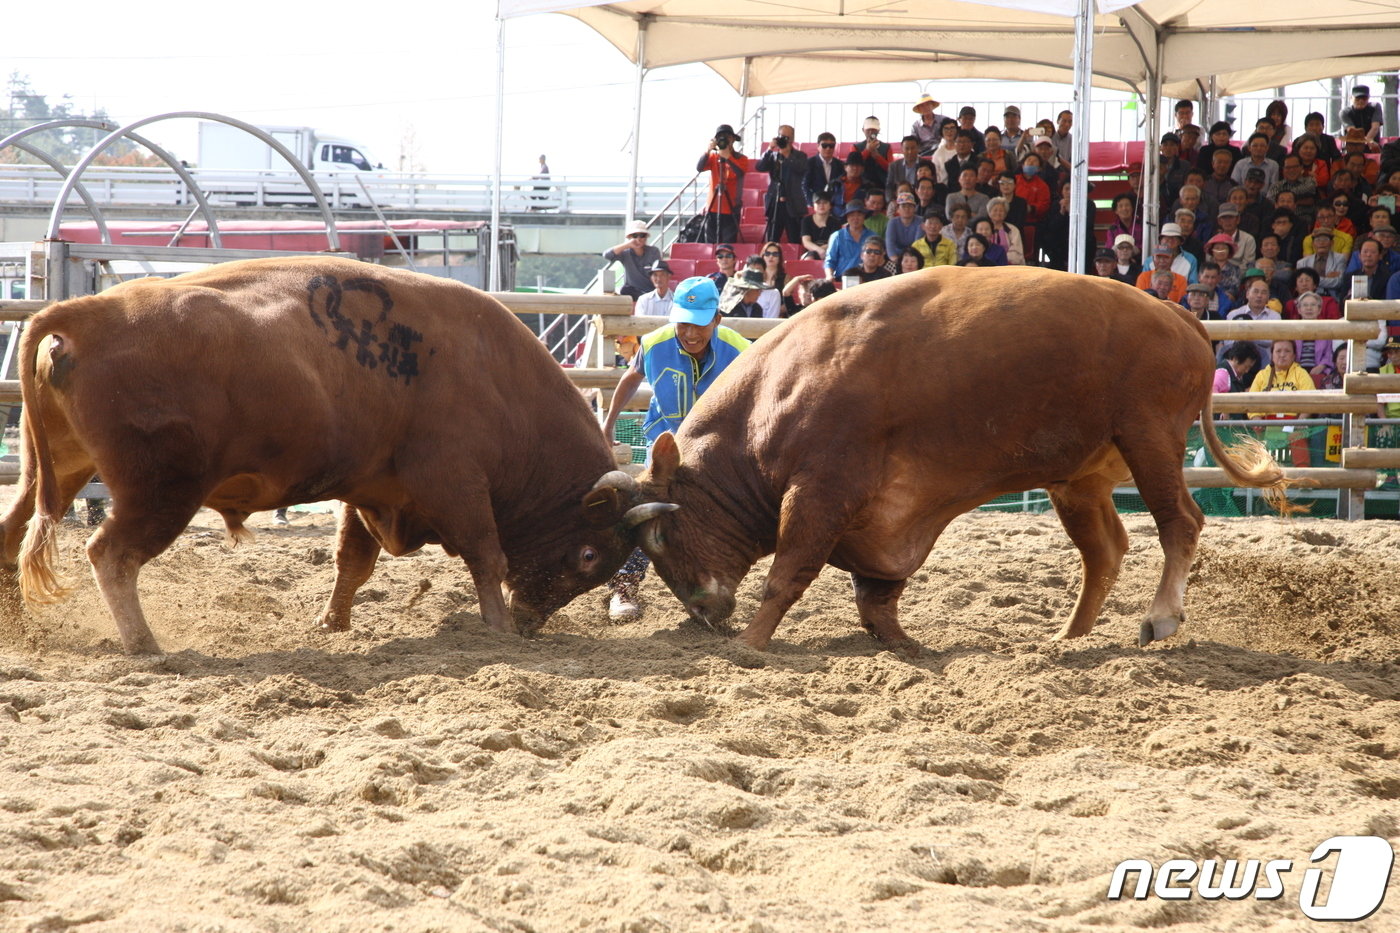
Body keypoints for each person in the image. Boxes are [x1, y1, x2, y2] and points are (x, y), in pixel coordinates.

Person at [601, 277, 751, 620]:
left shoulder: (742, 351)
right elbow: (632, 376)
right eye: (683, 323)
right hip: (666, 444)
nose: (691, 333)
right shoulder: (654, 343)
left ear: (716, 320)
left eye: (699, 324)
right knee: (645, 512)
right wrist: (608, 425)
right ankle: (623, 589)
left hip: (719, 450)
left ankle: (708, 591)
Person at [1248, 338, 1315, 467]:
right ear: (1272, 355)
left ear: (1294, 355)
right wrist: (1256, 418)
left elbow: (1311, 399)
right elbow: (1252, 401)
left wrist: (1301, 420)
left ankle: (1303, 477)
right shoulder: (1262, 375)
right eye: (1278, 351)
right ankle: (1260, 475)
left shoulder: (1301, 373)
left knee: (1298, 434)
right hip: (1266, 424)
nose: (1282, 355)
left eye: (1287, 351)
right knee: (1253, 436)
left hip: (1293, 423)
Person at [696, 124, 750, 243]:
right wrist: (708, 150)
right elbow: (699, 168)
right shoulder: (713, 157)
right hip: (713, 208)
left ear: (733, 139)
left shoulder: (741, 158)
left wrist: (728, 158)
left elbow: (740, 173)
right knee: (710, 244)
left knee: (728, 245)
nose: (724, 140)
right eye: (721, 137)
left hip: (731, 208)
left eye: (727, 137)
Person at [756, 124, 808, 245]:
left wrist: (787, 155)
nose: (784, 139)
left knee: (795, 240)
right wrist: (770, 148)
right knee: (772, 240)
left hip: (793, 204)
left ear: (792, 139)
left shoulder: (800, 156)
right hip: (775, 202)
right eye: (782, 136)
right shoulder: (772, 156)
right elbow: (760, 167)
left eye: (787, 137)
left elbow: (800, 169)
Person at [1221, 275, 1280, 362]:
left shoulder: (1275, 316)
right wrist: (1256, 338)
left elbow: (1273, 342)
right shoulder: (1234, 314)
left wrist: (1248, 337)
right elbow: (1228, 341)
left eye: (1263, 293)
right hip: (1237, 356)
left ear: (1268, 297)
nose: (1259, 295)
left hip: (1262, 358)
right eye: (1255, 291)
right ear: (1247, 294)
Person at [602, 220, 662, 299]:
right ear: (629, 237)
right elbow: (607, 255)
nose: (638, 239)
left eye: (642, 235)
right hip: (632, 291)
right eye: (635, 236)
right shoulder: (625, 253)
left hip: (650, 291)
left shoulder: (653, 251)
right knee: (625, 290)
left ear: (646, 237)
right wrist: (627, 245)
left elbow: (659, 272)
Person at [823, 203, 877, 280]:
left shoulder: (873, 236)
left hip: (867, 280)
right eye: (851, 215)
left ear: (864, 216)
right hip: (841, 279)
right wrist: (829, 276)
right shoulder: (837, 236)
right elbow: (830, 261)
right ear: (847, 217)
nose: (855, 218)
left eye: (859, 215)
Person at [1296, 228, 1347, 299]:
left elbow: (1339, 282)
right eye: (1317, 240)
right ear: (1313, 244)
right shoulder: (1302, 263)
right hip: (1308, 297)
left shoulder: (1339, 258)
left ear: (1332, 243)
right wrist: (1326, 278)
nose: (1321, 243)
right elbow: (1301, 285)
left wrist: (1311, 280)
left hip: (1331, 297)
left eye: (1325, 240)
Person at [850, 115, 891, 189]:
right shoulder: (855, 147)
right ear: (863, 130)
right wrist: (867, 151)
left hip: (882, 184)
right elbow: (853, 166)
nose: (871, 132)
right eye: (868, 129)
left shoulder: (887, 147)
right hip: (861, 184)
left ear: (878, 130)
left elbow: (891, 169)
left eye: (873, 129)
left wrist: (877, 157)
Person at [804, 132, 843, 206]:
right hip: (816, 204)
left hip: (834, 205)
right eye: (824, 145)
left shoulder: (840, 165)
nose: (828, 148)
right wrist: (812, 204)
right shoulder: (808, 163)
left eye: (831, 146)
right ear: (818, 146)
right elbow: (805, 186)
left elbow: (841, 188)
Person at [800, 192, 840, 260]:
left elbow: (833, 242)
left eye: (825, 202)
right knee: (810, 258)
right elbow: (806, 242)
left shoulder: (835, 222)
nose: (821, 205)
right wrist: (819, 250)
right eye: (818, 203)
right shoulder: (806, 220)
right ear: (813, 205)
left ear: (830, 205)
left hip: (830, 251)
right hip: (811, 252)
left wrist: (822, 251)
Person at [1341, 85, 1383, 149]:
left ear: (1368, 98)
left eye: (1364, 98)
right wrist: (1365, 142)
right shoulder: (1345, 112)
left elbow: (1375, 127)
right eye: (1357, 98)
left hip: (1372, 144)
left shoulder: (1375, 107)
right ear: (1351, 98)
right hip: (1354, 146)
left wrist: (1369, 140)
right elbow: (1353, 132)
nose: (1361, 101)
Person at [984, 197, 1024, 264]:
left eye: (1001, 211)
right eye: (995, 210)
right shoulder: (983, 228)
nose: (998, 213)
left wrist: (1000, 259)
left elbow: (1016, 252)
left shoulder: (1013, 230)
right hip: (986, 264)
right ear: (989, 212)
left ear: (1005, 214)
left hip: (1008, 264)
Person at [885, 134, 925, 202]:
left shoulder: (925, 164)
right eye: (907, 148)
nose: (910, 152)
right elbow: (889, 186)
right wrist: (891, 200)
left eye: (913, 148)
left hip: (919, 199)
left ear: (918, 148)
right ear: (902, 150)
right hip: (899, 199)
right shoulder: (894, 166)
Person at [885, 192, 923, 258]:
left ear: (914, 208)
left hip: (915, 256)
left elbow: (917, 243)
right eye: (903, 206)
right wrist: (895, 259)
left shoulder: (920, 221)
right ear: (898, 209)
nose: (907, 209)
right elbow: (890, 244)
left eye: (910, 206)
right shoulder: (892, 222)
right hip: (897, 256)